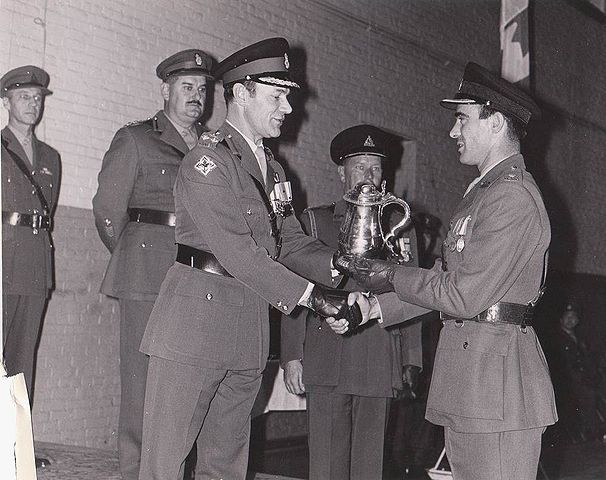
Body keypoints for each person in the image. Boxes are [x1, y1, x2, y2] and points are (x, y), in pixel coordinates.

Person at [138, 37, 362, 480]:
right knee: (165, 465)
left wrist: (343, 265)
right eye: (277, 96)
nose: (288, 108)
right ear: (242, 93)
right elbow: (240, 253)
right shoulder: (207, 163)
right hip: (193, 330)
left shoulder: (274, 171)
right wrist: (315, 298)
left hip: (247, 333)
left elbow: (289, 242)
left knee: (226, 465)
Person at [332, 62, 558, 480]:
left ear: (495, 122)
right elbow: (445, 275)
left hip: (497, 389)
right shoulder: (484, 194)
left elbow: (462, 295)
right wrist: (376, 308)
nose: (453, 131)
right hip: (475, 385)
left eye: (462, 118)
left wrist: (390, 274)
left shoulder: (511, 198)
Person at [92, 49, 213, 480]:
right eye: (186, 87)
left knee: (189, 384)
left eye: (202, 89)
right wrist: (135, 255)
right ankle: (135, 472)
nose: (196, 96)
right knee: (141, 385)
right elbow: (108, 210)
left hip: (199, 280)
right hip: (146, 277)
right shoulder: (136, 139)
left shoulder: (212, 147)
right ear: (165, 90)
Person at [280, 124, 422, 480]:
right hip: (326, 354)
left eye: (375, 168)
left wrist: (412, 359)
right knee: (326, 466)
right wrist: (292, 355)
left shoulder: (398, 227)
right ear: (342, 173)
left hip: (378, 354)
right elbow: (294, 286)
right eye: (359, 167)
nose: (368, 175)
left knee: (369, 467)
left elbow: (415, 292)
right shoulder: (315, 222)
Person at [1, 66, 60, 406]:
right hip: (3, 264)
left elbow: (46, 210)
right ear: (6, 102)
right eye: (23, 97)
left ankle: (18, 438)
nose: (32, 104)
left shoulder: (51, 157)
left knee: (24, 360)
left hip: (35, 265)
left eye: (37, 98)